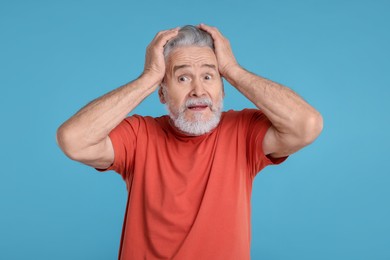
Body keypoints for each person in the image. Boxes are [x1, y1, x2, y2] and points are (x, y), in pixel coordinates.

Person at [56, 24, 323, 260]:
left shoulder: (243, 131)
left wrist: (233, 70)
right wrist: (148, 78)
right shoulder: (139, 135)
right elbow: (74, 140)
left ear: (222, 86)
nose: (198, 90)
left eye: (208, 76)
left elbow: (306, 125)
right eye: (183, 78)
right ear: (162, 93)